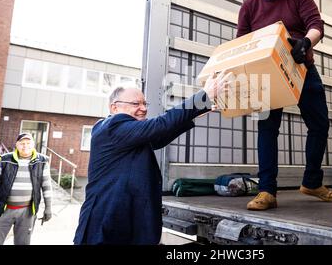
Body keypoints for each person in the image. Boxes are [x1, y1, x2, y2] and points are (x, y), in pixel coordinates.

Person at [73, 71, 231, 245]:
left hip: (125, 224)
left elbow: (159, 135)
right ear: (114, 107)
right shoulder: (111, 127)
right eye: (135, 103)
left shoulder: (131, 136)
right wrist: (202, 97)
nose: (143, 108)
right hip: (105, 225)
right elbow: (159, 126)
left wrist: (195, 112)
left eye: (144, 103)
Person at [237, 0, 332, 211]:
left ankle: (312, 182)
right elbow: (242, 44)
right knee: (267, 129)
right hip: (267, 73)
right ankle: (267, 191)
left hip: (302, 67)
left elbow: (316, 24)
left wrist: (306, 41)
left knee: (320, 123)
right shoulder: (249, 7)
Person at [0, 133, 53, 245]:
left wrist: (48, 208)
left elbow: (46, 186)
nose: (25, 146)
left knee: (23, 243)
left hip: (27, 212)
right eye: (22, 143)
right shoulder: (5, 159)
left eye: (28, 143)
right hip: (3, 210)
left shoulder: (42, 161)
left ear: (33, 145)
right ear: (17, 145)